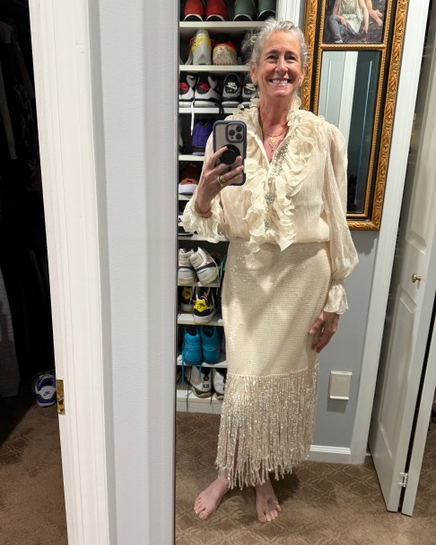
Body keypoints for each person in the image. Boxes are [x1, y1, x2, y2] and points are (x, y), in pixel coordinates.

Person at [183, 19, 358, 523]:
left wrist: (335, 298)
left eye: (291, 58)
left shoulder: (324, 138)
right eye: (272, 58)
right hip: (249, 280)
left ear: (302, 69)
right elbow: (208, 221)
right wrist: (204, 194)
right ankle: (228, 470)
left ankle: (259, 475)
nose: (282, 67)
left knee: (275, 390)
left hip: (303, 281)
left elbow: (336, 219)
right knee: (244, 387)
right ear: (254, 69)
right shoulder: (227, 135)